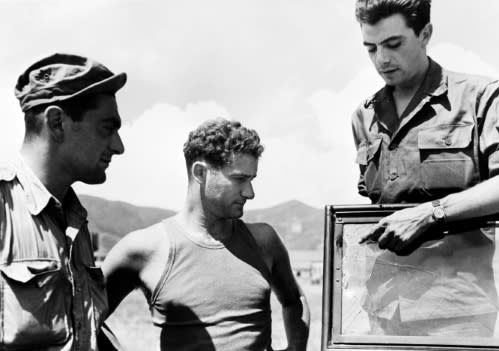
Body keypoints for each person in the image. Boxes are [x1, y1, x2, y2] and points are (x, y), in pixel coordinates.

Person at [352, 0, 499, 336]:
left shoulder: (479, 97)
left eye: (393, 44)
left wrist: (432, 213)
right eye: (371, 48)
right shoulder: (364, 116)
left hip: (455, 314)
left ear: (425, 33)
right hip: (381, 310)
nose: (382, 59)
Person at [102, 118, 310, 350]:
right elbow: (82, 319)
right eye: (240, 179)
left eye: (251, 180)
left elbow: (294, 301)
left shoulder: (263, 240)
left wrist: (296, 348)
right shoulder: (144, 248)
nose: (250, 193)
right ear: (200, 172)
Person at [0, 53, 126, 350]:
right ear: (57, 122)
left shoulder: (73, 219)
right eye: (108, 128)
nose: (119, 146)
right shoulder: (4, 208)